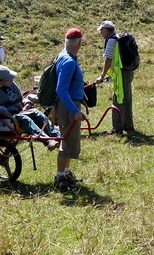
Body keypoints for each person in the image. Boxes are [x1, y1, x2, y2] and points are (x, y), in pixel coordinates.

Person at [0, 66, 60, 149]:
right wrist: (0, 109)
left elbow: (21, 98)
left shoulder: (11, 83)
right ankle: (47, 140)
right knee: (24, 118)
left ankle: (57, 136)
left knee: (37, 114)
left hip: (18, 112)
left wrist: (26, 102)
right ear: (0, 80)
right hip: (4, 117)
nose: (12, 81)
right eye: (9, 79)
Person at [53, 28, 87, 192]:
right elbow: (61, 89)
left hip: (69, 104)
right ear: (79, 43)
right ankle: (60, 178)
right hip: (68, 107)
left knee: (70, 141)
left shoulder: (64, 55)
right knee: (67, 142)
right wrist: (74, 111)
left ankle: (66, 173)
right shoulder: (68, 62)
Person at [95, 20, 135, 135]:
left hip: (120, 74)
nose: (101, 33)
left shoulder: (111, 41)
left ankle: (117, 128)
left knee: (118, 98)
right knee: (126, 97)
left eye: (102, 30)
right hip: (127, 72)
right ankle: (128, 125)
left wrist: (102, 76)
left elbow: (108, 60)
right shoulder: (118, 38)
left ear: (107, 30)